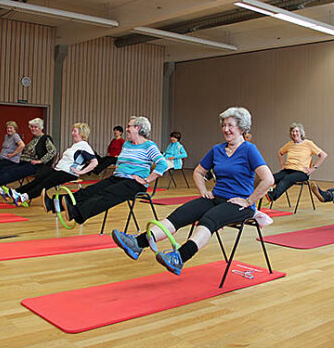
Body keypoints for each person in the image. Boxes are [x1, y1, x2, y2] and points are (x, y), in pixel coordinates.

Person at [111, 107, 274, 275]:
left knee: (209, 218)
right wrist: (203, 190)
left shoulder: (249, 150)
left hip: (238, 205)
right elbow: (198, 171)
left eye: (230, 125)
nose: (226, 129)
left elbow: (268, 179)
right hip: (215, 197)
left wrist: (248, 201)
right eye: (224, 125)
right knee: (181, 213)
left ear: (242, 128)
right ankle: (137, 244)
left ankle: (179, 257)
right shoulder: (217, 150)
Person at [42, 116, 168, 226]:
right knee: (90, 190)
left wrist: (146, 180)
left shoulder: (149, 146)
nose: (127, 129)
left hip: (134, 183)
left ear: (138, 128)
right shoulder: (127, 144)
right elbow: (120, 162)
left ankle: (77, 213)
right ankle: (53, 204)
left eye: (129, 126)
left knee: (105, 194)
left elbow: (163, 164)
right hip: (118, 178)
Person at [7, 123, 98, 206]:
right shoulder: (76, 145)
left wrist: (81, 172)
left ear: (82, 133)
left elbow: (94, 162)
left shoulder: (85, 146)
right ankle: (17, 192)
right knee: (38, 179)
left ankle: (24, 197)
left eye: (75, 131)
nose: (72, 133)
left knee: (45, 183)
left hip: (68, 173)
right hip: (59, 169)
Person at [0, 118, 57, 188]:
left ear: (41, 128)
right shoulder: (35, 138)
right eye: (32, 127)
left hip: (34, 165)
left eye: (36, 127)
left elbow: (53, 151)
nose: (33, 129)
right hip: (23, 161)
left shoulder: (45, 138)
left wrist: (41, 161)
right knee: (6, 169)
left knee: (13, 172)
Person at [264, 123, 328, 203]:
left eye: (297, 131)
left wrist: (313, 168)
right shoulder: (289, 144)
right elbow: (280, 152)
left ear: (301, 133)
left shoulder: (308, 143)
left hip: (301, 172)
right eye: (293, 132)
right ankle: (257, 194)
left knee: (287, 179)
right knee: (272, 178)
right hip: (288, 170)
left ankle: (272, 196)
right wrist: (282, 164)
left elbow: (323, 155)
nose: (294, 133)